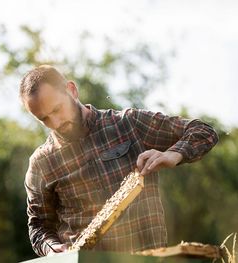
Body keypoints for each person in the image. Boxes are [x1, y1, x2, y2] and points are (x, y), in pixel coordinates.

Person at [20, 65, 218, 257]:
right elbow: (39, 226)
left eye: (57, 110)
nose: (55, 123)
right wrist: (52, 248)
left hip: (147, 258)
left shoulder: (129, 124)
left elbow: (203, 132)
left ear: (71, 90)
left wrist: (172, 154)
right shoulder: (41, 163)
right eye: (44, 119)